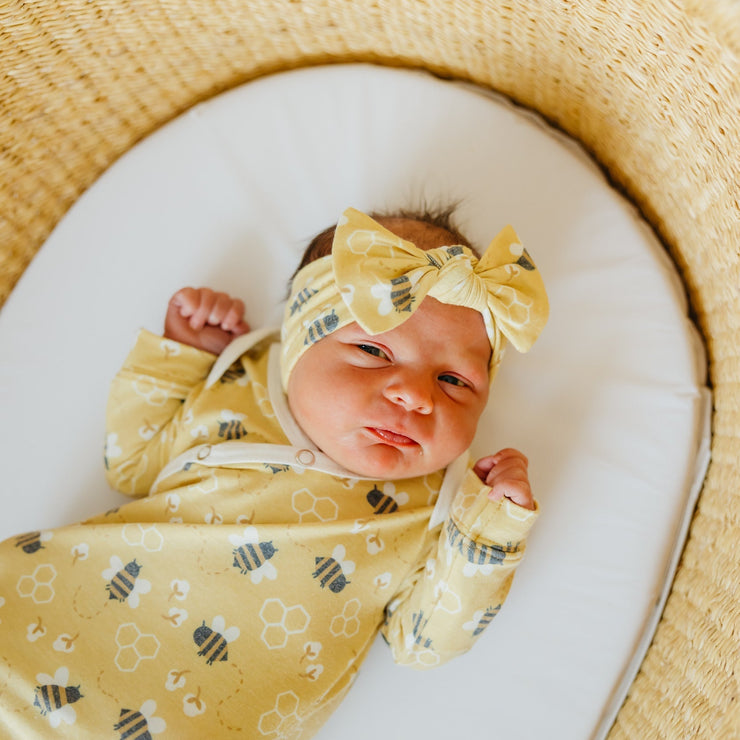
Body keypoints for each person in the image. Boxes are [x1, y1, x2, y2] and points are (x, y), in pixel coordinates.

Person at [0, 207, 548, 739]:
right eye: (372, 350)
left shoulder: (441, 507)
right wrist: (183, 355)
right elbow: (131, 463)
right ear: (298, 343)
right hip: (35, 628)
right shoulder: (236, 385)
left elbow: (422, 643)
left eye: (455, 381)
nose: (415, 395)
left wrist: (488, 534)